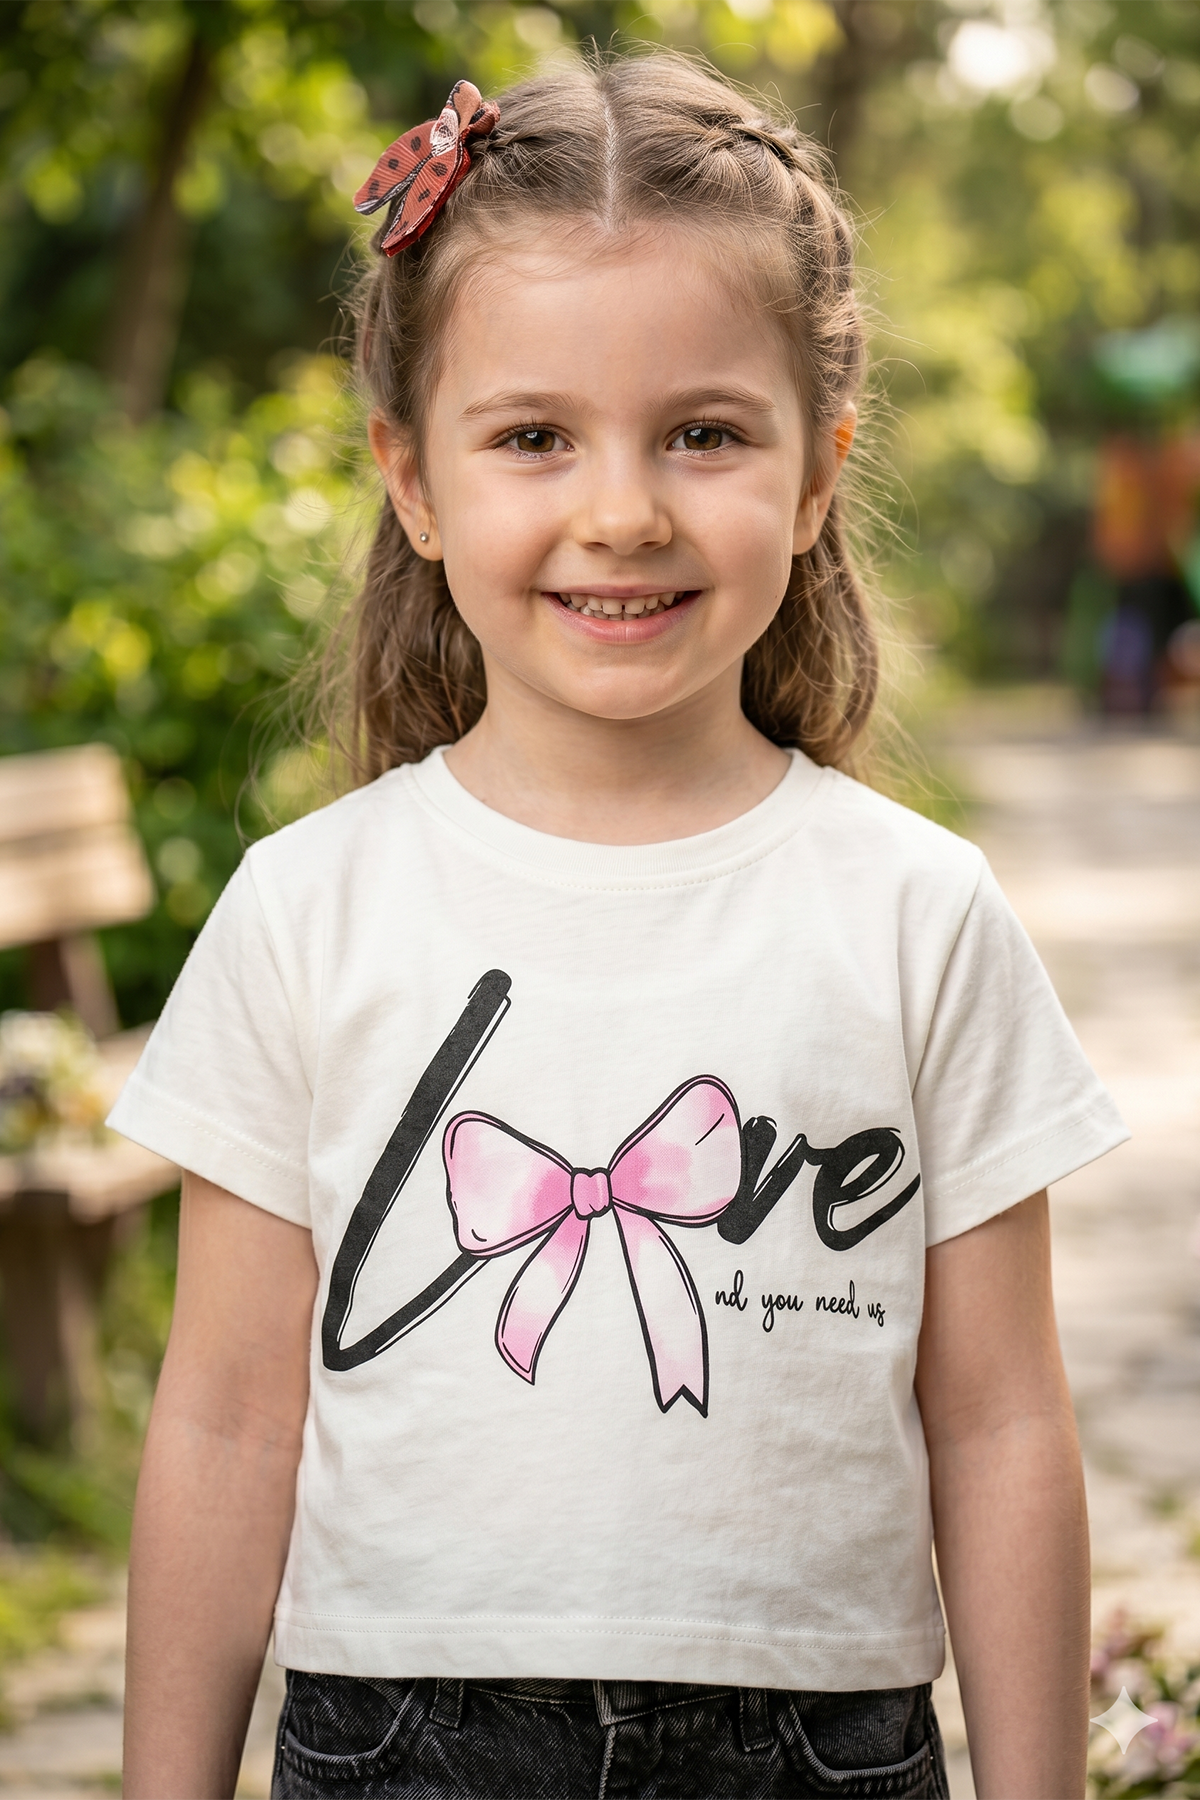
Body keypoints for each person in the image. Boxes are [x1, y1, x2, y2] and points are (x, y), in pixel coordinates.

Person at [112, 53, 1128, 1800]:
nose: (623, 510)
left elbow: (1001, 1420)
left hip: (820, 1749)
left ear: (816, 474)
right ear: (413, 480)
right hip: (404, 1741)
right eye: (533, 437)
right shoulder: (307, 911)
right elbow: (221, 1420)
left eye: (704, 433)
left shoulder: (919, 915)